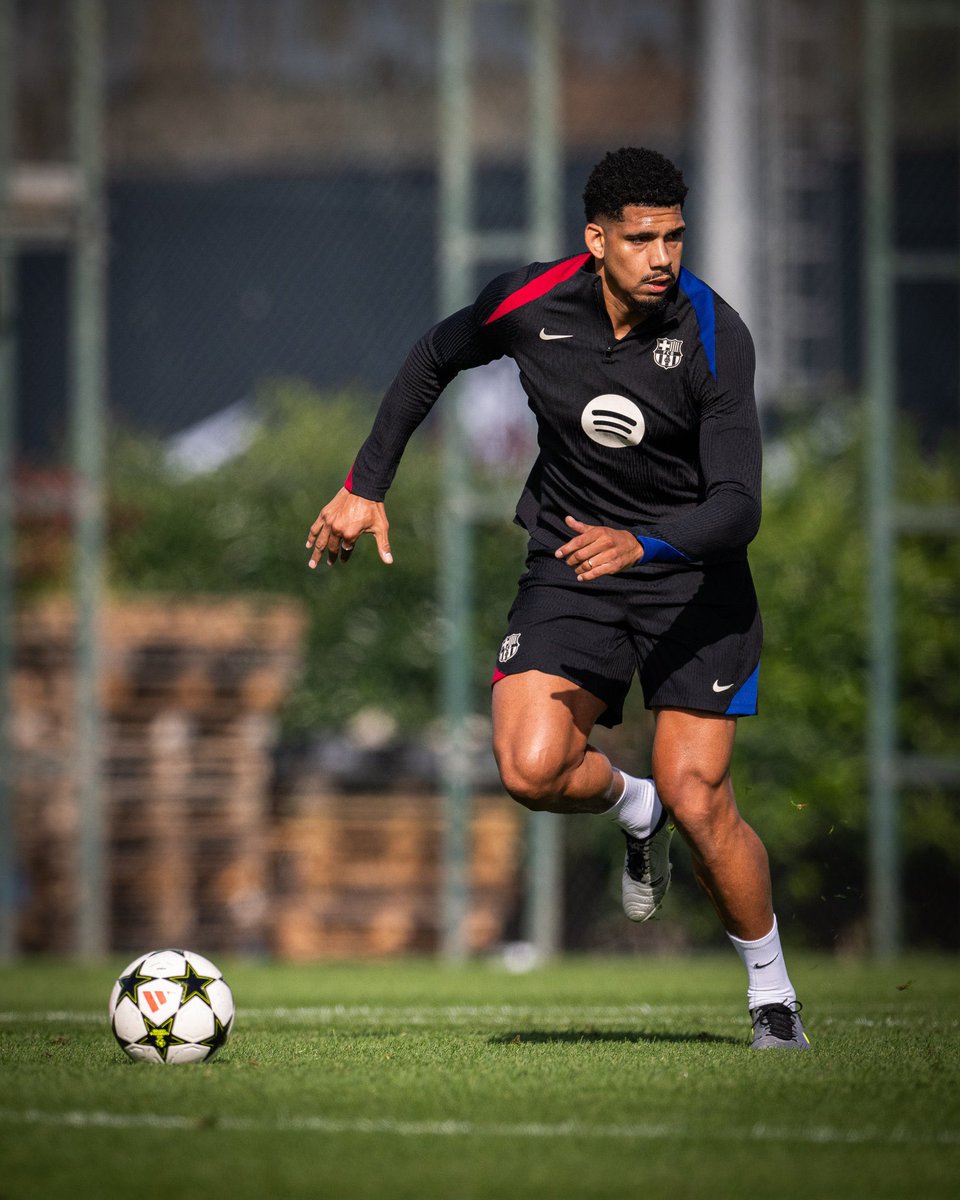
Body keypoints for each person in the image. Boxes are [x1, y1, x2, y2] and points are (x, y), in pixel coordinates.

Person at [305, 146, 809, 1051]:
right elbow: (433, 356)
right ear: (597, 239)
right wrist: (365, 483)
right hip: (575, 561)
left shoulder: (713, 333)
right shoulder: (531, 302)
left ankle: (772, 995)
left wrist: (647, 541)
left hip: (694, 582)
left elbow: (739, 507)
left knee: (702, 800)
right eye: (642, 238)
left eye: (675, 238)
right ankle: (631, 804)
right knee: (530, 769)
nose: (663, 257)